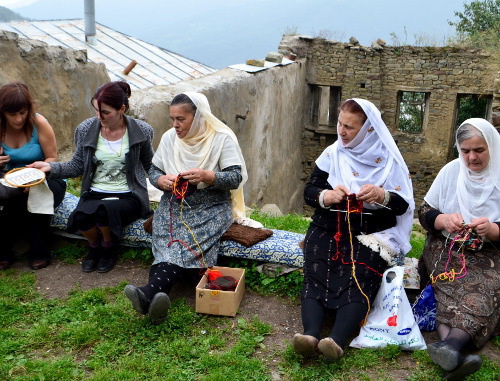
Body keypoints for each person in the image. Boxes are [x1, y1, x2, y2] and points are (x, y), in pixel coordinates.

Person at [293, 98, 414, 361]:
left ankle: (335, 340)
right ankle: (310, 334)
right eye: (340, 123)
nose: (341, 131)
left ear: (369, 131)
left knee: (358, 277)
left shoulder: (390, 162)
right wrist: (327, 195)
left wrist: (382, 196)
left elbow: (403, 205)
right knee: (316, 271)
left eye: (350, 127)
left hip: (371, 235)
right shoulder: (333, 153)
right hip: (330, 226)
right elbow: (310, 191)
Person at [124, 92, 247, 324]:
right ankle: (154, 296)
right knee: (169, 239)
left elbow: (235, 177)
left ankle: (150, 292)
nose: (175, 125)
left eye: (181, 119)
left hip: (211, 207)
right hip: (173, 202)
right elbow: (154, 171)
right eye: (172, 119)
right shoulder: (170, 138)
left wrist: (208, 176)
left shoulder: (221, 139)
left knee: (183, 242)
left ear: (198, 116)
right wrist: (161, 181)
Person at [30, 81, 154, 273]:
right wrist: (49, 167)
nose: (99, 116)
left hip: (128, 194)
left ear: (121, 109)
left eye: (105, 112)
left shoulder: (142, 131)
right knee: (80, 217)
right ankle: (95, 245)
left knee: (105, 212)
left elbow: (150, 165)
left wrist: (163, 182)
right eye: (96, 110)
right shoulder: (86, 128)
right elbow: (77, 165)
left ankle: (108, 247)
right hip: (95, 192)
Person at [418, 118, 499, 380]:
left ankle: (449, 348)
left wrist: (494, 230)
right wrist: (442, 220)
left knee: (485, 288)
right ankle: (455, 350)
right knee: (449, 286)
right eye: (465, 151)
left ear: (492, 146)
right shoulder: (451, 172)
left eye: (479, 150)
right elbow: (425, 213)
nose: (471, 157)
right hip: (446, 247)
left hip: (490, 253)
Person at [0, 81, 66, 270]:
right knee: (5, 199)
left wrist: (35, 177)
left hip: (44, 176)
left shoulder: (39, 123)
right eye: (12, 114)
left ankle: (39, 252)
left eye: (22, 112)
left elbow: (52, 158)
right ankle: (4, 252)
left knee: (37, 195)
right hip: (10, 179)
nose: (19, 119)